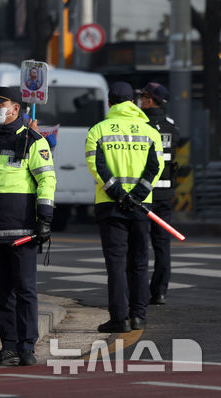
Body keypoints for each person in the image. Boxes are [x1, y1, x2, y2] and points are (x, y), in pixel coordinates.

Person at [0, 87, 56, 366]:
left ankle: (27, 346)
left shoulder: (33, 141)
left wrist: (45, 219)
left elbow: (46, 181)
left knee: (25, 290)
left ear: (15, 108)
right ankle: (9, 346)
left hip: (22, 232)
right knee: (2, 292)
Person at [85, 82, 164, 333]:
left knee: (116, 265)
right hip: (141, 208)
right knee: (139, 262)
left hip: (110, 206)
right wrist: (137, 195)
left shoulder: (98, 130)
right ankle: (139, 316)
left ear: (110, 103)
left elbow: (97, 166)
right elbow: (156, 168)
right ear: (134, 101)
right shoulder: (151, 131)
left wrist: (119, 194)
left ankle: (119, 319)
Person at [136, 82, 178, 305]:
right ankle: (160, 291)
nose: (141, 100)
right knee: (162, 245)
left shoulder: (141, 125)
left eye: (143, 96)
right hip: (165, 194)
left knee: (141, 245)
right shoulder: (172, 126)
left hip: (145, 194)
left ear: (149, 100)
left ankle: (140, 292)